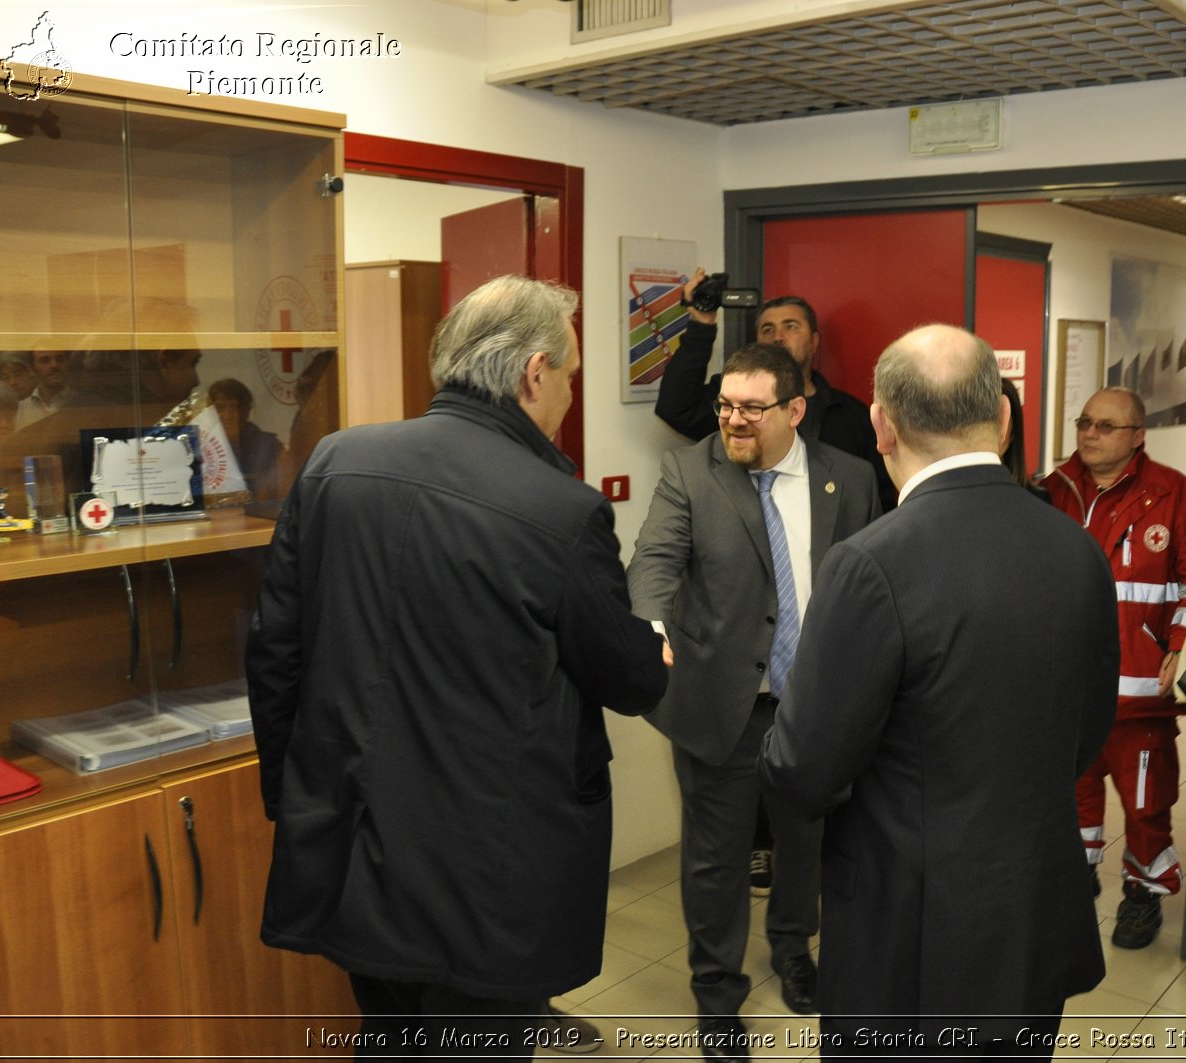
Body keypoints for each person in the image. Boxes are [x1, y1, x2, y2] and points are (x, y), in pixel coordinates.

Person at [246, 275, 667, 1060]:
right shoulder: (558, 509)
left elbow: (275, 650)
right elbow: (631, 678)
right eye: (571, 375)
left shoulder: (338, 461)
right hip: (488, 875)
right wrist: (656, 643)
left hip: (351, 844)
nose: (571, 395)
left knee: (389, 1036)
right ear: (533, 372)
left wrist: (294, 797)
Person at [758, 324, 1118, 1058]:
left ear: (881, 426)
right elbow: (1086, 731)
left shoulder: (871, 562)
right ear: (1006, 417)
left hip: (912, 925)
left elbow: (803, 769)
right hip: (1030, 907)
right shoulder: (1075, 547)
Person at [627, 342, 879, 1061]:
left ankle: (794, 950)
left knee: (806, 840)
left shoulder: (850, 479)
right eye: (725, 405)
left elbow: (866, 581)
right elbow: (653, 561)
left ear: (795, 410)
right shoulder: (690, 471)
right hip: (718, 700)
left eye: (751, 408)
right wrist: (648, 624)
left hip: (814, 702)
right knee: (717, 857)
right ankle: (716, 993)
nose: (733, 420)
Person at [1044, 386, 1186, 949]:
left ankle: (1142, 895)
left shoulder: (1176, 495)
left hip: (1141, 693)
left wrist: (1180, 645)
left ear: (1138, 435)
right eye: (1084, 422)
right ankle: (1075, 879)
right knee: (1072, 795)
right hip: (1067, 689)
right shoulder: (1052, 491)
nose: (1089, 433)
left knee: (1147, 804)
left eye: (1105, 426)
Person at [655, 268, 895, 512]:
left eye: (790, 327)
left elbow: (881, 499)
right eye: (767, 329)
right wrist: (702, 325)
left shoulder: (850, 415)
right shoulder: (734, 406)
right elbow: (676, 407)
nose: (778, 337)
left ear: (814, 342)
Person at [206, 377, 285, 499]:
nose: (228, 416)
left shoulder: (268, 446)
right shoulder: (203, 447)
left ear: (246, 411)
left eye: (234, 407)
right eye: (220, 408)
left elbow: (268, 497)